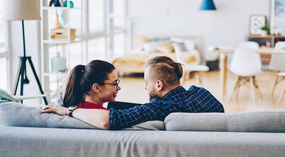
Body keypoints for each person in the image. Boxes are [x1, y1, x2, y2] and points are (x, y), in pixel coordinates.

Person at [42, 56, 224, 129]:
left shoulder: (158, 108)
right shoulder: (201, 93)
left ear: (159, 85)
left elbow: (110, 120)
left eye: (147, 82)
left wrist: (68, 111)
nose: (145, 87)